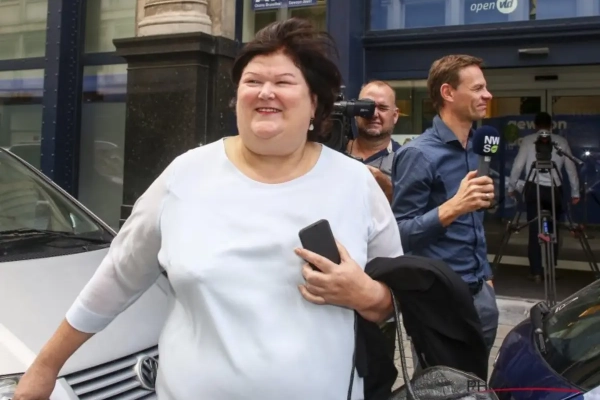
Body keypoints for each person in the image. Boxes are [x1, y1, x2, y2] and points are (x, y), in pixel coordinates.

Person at [13, 18, 403, 400]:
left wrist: (365, 294)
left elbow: (399, 301)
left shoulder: (355, 183)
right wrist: (46, 366)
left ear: (315, 102)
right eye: (253, 81)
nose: (266, 92)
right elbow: (117, 277)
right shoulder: (185, 175)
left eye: (284, 82)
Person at [390, 55, 500, 363]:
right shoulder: (418, 154)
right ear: (448, 93)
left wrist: (486, 277)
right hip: (439, 302)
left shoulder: (478, 148)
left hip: (480, 295)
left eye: (485, 87)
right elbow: (399, 233)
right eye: (477, 88)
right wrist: (453, 208)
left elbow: (474, 222)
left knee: (476, 384)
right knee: (439, 385)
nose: (488, 95)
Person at [508, 111, 580, 283]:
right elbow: (571, 169)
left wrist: (511, 187)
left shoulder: (528, 141)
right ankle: (550, 269)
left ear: (535, 126)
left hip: (534, 188)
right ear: (551, 125)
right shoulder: (560, 141)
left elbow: (517, 166)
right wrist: (575, 192)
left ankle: (536, 271)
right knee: (553, 228)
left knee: (535, 229)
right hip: (555, 189)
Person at [346, 80, 401, 202]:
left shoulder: (405, 160)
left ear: (395, 115)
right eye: (367, 107)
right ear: (355, 112)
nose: (374, 114)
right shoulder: (336, 151)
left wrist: (389, 191)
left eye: (382, 108)